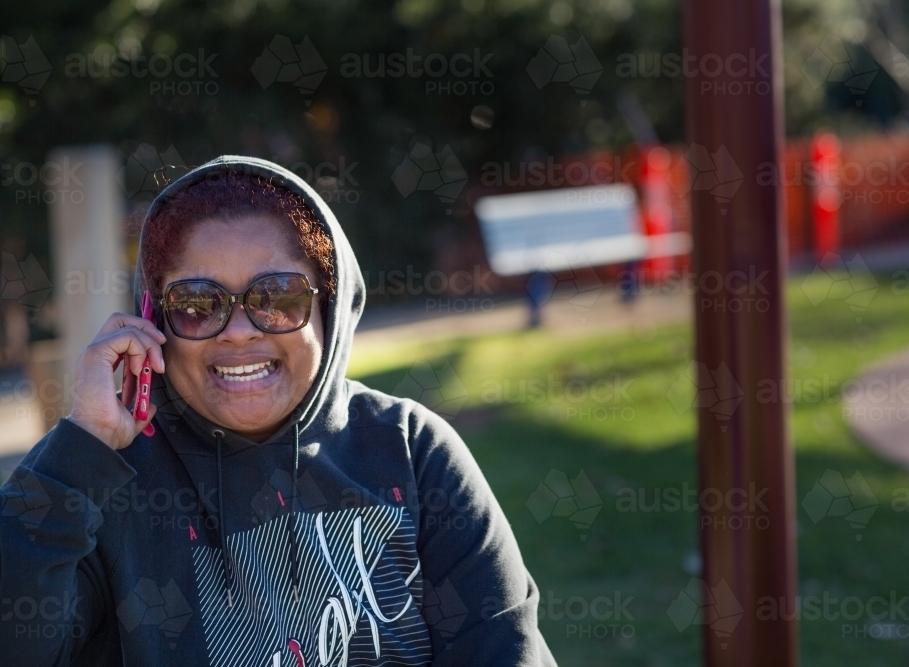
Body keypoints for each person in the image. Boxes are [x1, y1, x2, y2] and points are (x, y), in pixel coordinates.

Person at [0, 156, 557, 666]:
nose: (240, 332)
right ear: (155, 320)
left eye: (278, 297)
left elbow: (503, 648)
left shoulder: (411, 449)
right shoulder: (101, 476)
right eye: (198, 304)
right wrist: (78, 453)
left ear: (328, 305)